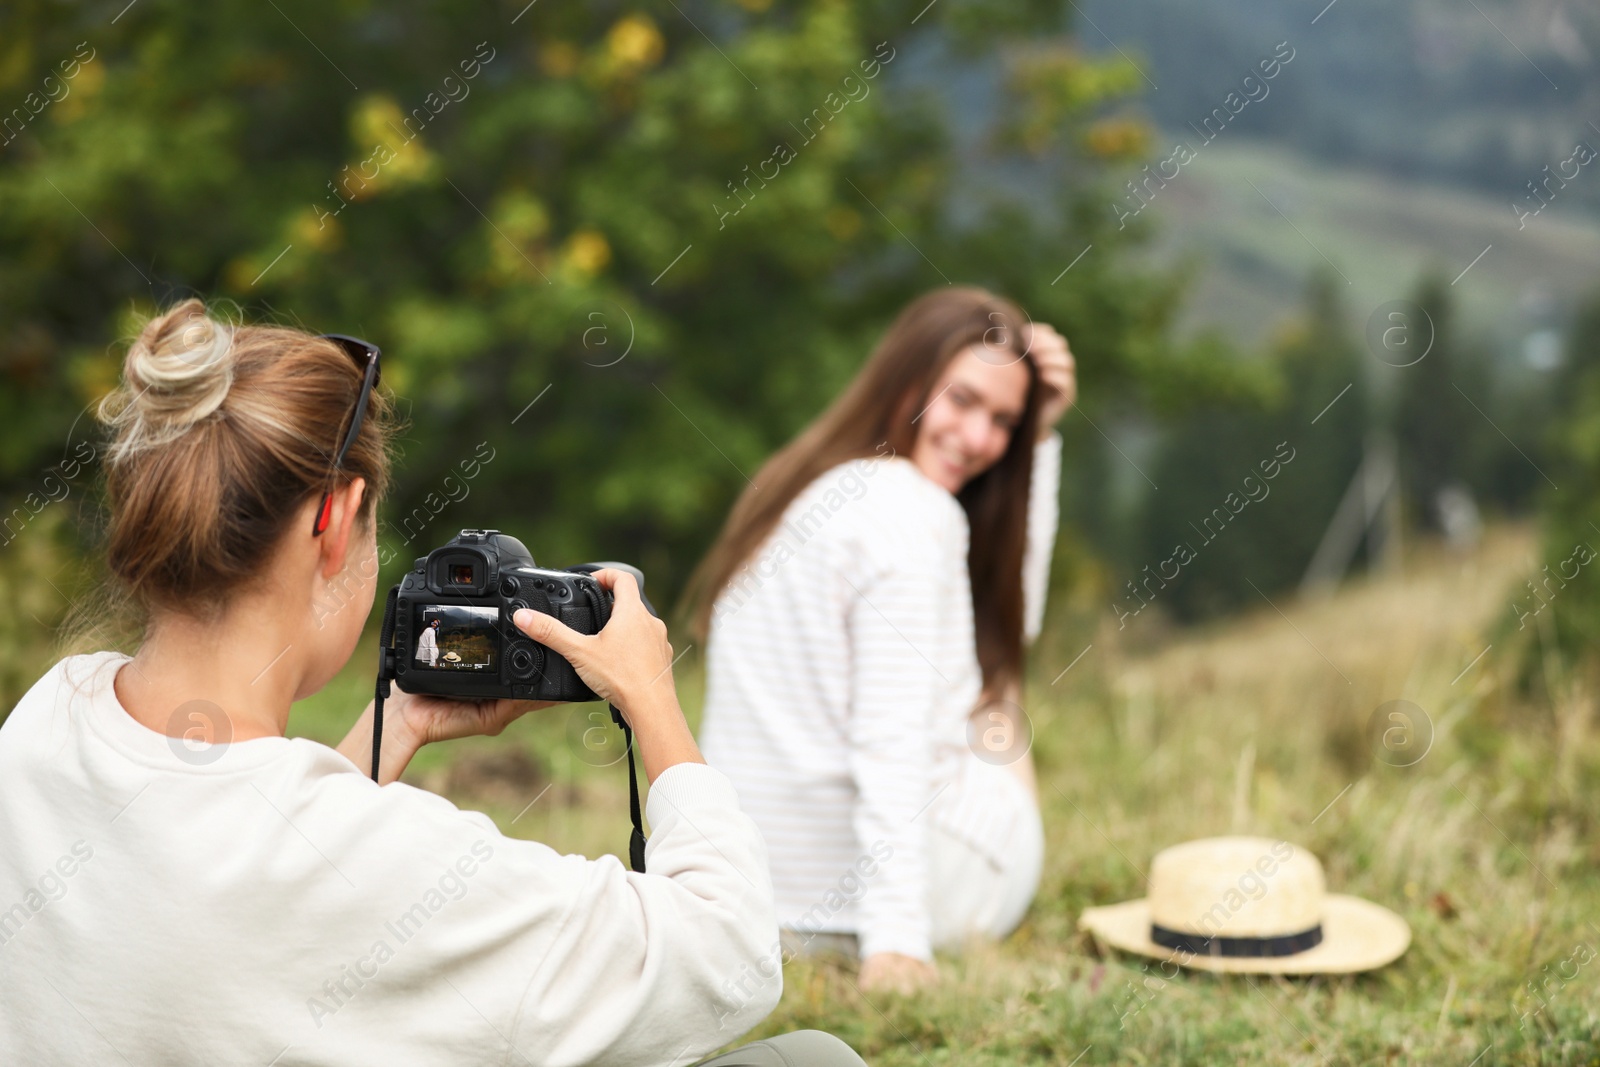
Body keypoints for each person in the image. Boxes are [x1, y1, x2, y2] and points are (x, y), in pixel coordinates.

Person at [0, 301, 867, 1067]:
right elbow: (730, 961)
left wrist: (395, 725)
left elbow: (234, 868)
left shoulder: (46, 723)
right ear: (334, 522)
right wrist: (652, 699)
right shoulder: (396, 865)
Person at [684, 287, 1076, 995]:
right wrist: (897, 939)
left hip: (756, 897)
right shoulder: (913, 511)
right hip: (888, 900)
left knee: (988, 677)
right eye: (962, 400)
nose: (980, 439)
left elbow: (999, 623)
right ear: (909, 379)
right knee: (1000, 706)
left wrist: (1038, 439)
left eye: (1005, 423)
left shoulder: (799, 486)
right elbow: (894, 736)